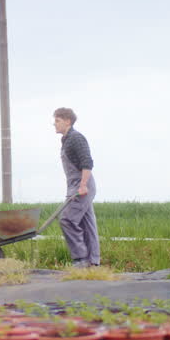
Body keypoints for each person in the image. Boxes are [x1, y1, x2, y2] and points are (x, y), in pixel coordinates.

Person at [53, 107, 101, 267]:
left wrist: (82, 186)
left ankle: (81, 259)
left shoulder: (76, 138)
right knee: (88, 224)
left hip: (83, 186)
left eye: (57, 120)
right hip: (76, 187)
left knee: (67, 219)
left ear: (68, 121)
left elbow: (87, 163)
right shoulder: (66, 140)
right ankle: (93, 263)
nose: (54, 124)